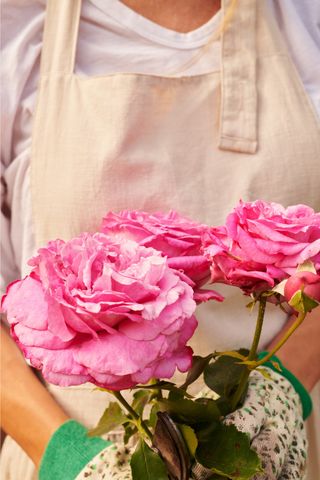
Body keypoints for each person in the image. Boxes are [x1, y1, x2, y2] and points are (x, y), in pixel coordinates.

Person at [1, 0, 320, 478]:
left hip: (273, 454)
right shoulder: (17, 27)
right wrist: (65, 456)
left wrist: (284, 389)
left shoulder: (305, 17)